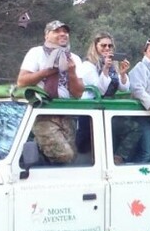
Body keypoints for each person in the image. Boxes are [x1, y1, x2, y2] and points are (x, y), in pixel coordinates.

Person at [17, 20, 84, 163]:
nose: (62, 34)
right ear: (46, 35)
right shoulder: (36, 53)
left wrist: (71, 72)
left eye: (65, 31)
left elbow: (78, 93)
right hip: (43, 112)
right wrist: (47, 71)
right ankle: (32, 155)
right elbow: (22, 81)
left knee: (71, 159)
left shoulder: (75, 58)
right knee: (63, 155)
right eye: (57, 31)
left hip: (66, 114)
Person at [77, 32, 131, 99]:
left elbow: (124, 89)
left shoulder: (113, 65)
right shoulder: (88, 65)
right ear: (96, 46)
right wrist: (105, 69)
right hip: (91, 104)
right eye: (103, 45)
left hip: (107, 104)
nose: (107, 48)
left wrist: (122, 74)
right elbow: (99, 91)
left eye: (110, 46)